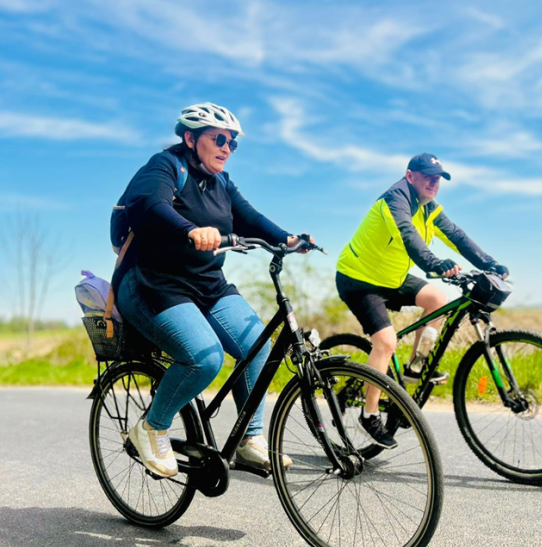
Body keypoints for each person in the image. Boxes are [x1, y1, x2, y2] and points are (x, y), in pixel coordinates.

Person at [116, 102, 308, 478]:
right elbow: (147, 204)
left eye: (232, 143)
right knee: (204, 358)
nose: (226, 147)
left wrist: (288, 238)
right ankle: (152, 426)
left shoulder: (221, 182)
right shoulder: (166, 166)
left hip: (207, 285)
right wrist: (189, 229)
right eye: (218, 139)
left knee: (258, 346)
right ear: (190, 138)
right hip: (153, 283)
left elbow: (248, 216)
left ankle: (250, 441)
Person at [335, 153, 509, 448]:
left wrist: (490, 263)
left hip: (392, 278)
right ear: (410, 175)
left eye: (438, 178)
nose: (434, 182)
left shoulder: (429, 207)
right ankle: (369, 413)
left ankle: (416, 366)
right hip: (359, 279)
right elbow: (407, 234)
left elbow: (457, 235)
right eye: (428, 176)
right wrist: (435, 263)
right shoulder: (395, 198)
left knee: (438, 298)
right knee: (386, 343)